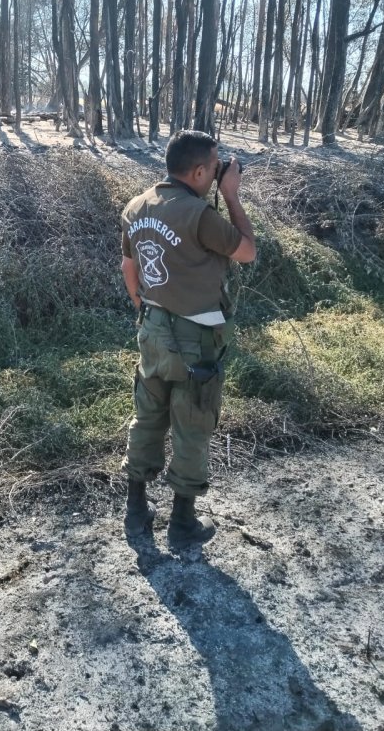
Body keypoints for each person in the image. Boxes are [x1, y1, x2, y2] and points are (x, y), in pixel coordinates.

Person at [120, 129, 256, 546]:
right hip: (196, 335)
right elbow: (247, 251)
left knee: (148, 416)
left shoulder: (136, 205)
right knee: (193, 423)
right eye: (214, 167)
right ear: (199, 170)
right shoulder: (199, 214)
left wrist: (144, 309)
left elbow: (129, 268)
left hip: (153, 327)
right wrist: (231, 196)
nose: (217, 173)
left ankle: (136, 509)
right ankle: (182, 523)